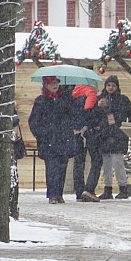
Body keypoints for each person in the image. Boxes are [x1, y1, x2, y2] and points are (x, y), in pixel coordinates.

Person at [28, 76, 82, 204]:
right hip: (48, 140)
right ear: (45, 85)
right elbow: (34, 121)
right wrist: (42, 134)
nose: (54, 85)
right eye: (51, 83)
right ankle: (52, 194)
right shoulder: (40, 101)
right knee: (52, 167)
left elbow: (75, 114)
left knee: (62, 167)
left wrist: (73, 127)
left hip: (64, 139)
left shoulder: (65, 99)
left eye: (56, 82)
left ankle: (59, 194)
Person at [92, 75, 131, 199]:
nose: (110, 88)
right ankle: (107, 189)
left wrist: (127, 128)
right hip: (104, 135)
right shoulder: (100, 99)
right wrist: (98, 107)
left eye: (113, 85)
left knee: (118, 162)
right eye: (108, 85)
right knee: (106, 162)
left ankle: (123, 188)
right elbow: (93, 116)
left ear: (117, 87)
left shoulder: (123, 99)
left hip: (118, 135)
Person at [68, 84, 99, 202]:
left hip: (75, 132)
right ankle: (89, 189)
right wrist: (94, 123)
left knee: (78, 163)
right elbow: (88, 111)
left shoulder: (73, 93)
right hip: (87, 131)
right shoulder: (90, 93)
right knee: (96, 160)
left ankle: (79, 191)